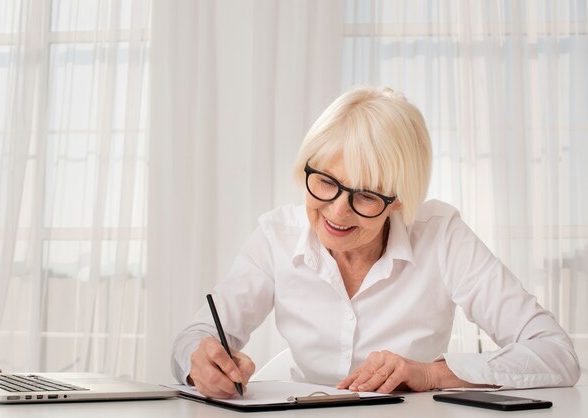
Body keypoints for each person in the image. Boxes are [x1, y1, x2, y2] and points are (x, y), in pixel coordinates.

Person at [171, 86, 580, 398]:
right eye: (326, 182)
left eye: (366, 195)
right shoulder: (276, 236)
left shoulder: (441, 235)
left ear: (399, 199)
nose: (337, 212)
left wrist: (430, 373)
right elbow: (196, 336)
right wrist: (201, 361)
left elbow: (556, 355)